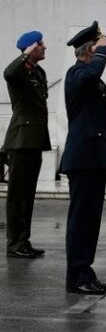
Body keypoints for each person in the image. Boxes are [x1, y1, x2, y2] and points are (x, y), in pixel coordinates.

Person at [59, 21, 106, 294]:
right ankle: (76, 277)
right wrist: (103, 53)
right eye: (99, 46)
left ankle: (86, 272)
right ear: (90, 49)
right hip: (82, 159)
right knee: (81, 219)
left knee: (91, 220)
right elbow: (91, 76)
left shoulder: (90, 76)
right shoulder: (77, 73)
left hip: (94, 157)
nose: (104, 49)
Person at [3, 30, 51, 258]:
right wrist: (25, 55)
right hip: (21, 139)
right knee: (17, 194)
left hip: (34, 139)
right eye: (39, 44)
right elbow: (8, 72)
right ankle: (14, 243)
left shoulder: (38, 72)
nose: (44, 47)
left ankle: (23, 240)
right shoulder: (19, 70)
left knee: (28, 194)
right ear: (30, 48)